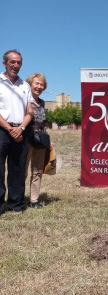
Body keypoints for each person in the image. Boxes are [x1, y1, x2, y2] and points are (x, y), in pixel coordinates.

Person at [0, 50, 34, 214]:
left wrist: (20, 128)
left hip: (21, 132)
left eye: (19, 62)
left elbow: (29, 111)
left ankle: (16, 205)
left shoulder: (25, 85)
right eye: (12, 62)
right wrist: (8, 128)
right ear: (4, 63)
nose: (16, 65)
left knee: (18, 170)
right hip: (2, 131)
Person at [26, 73, 50, 209]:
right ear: (30, 84)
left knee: (37, 171)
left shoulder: (41, 102)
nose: (39, 87)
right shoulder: (25, 101)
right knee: (22, 171)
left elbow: (43, 124)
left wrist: (48, 140)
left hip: (40, 141)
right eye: (36, 83)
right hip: (27, 140)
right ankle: (18, 198)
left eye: (41, 84)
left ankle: (34, 200)